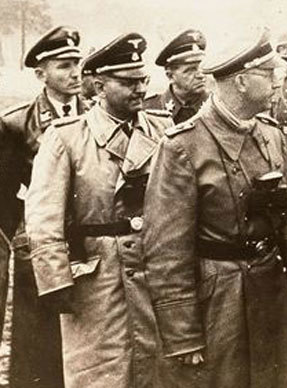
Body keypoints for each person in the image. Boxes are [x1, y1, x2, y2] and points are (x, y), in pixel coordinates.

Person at [143, 29, 287, 387]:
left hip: (269, 290)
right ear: (241, 82)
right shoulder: (183, 146)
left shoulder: (271, 135)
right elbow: (166, 250)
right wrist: (182, 333)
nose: (279, 81)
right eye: (269, 73)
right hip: (217, 301)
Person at [24, 32, 175, 387]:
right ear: (99, 86)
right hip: (96, 281)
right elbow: (43, 217)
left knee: (160, 372)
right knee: (100, 372)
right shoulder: (66, 137)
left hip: (156, 273)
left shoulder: (164, 130)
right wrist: (57, 282)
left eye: (143, 80)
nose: (140, 89)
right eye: (128, 82)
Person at [0, 25, 89, 388]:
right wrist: (22, 241)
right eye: (63, 66)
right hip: (37, 247)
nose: (74, 74)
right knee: (37, 343)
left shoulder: (93, 115)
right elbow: (5, 195)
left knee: (84, 336)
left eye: (76, 65)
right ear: (41, 74)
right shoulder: (16, 124)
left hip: (84, 244)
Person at [144, 29, 209, 123]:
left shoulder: (219, 107)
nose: (201, 75)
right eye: (190, 70)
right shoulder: (148, 110)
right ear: (170, 76)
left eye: (201, 67)